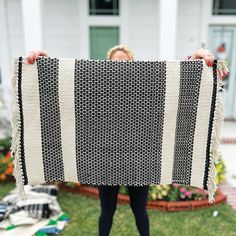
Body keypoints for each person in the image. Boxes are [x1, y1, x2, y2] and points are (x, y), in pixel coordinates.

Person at [26, 46, 228, 236]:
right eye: (114, 64)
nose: (119, 68)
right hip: (106, 161)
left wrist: (194, 62)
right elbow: (69, 92)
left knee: (140, 211)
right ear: (107, 66)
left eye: (124, 63)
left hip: (139, 160)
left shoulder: (145, 89)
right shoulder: (97, 90)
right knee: (107, 212)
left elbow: (175, 87)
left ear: (133, 64)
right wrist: (45, 67)